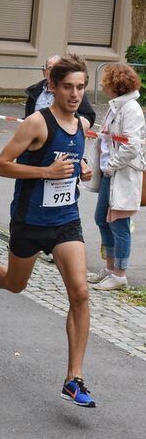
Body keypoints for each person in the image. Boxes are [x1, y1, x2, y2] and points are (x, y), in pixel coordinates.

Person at [0, 53, 97, 408]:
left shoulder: (83, 126)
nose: (74, 94)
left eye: (81, 87)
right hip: (29, 221)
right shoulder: (36, 124)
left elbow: (73, 162)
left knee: (81, 293)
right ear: (53, 87)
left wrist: (82, 169)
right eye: (68, 87)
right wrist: (45, 173)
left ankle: (74, 378)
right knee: (15, 283)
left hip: (65, 220)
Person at [86, 63, 145, 290]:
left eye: (106, 81)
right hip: (110, 174)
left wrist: (110, 166)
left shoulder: (131, 109)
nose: (102, 85)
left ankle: (119, 274)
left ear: (116, 85)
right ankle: (110, 268)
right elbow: (106, 137)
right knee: (102, 219)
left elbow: (131, 147)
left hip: (121, 175)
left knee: (119, 224)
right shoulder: (117, 106)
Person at [25, 54, 97, 126]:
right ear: (44, 71)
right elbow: (27, 118)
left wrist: (75, 125)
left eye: (57, 69)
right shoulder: (34, 91)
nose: (74, 93)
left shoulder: (75, 93)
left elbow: (89, 116)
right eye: (50, 68)